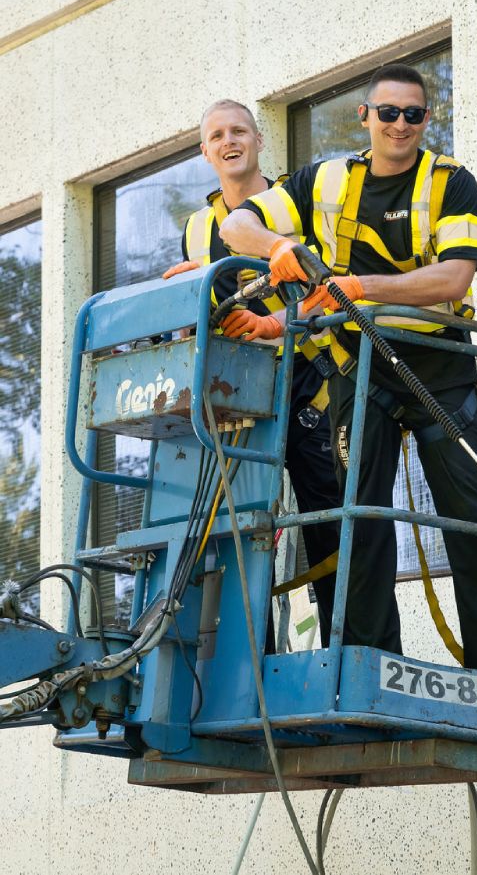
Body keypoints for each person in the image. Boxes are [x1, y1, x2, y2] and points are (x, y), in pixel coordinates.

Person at [218, 67, 477, 671]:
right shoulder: (322, 180)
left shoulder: (451, 183)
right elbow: (235, 223)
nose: (400, 125)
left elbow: (454, 277)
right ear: (364, 117)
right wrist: (275, 246)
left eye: (414, 115)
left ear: (426, 120)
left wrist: (359, 285)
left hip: (439, 367)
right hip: (361, 369)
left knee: (471, 517)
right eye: (388, 113)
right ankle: (369, 662)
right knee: (363, 517)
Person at [162, 98, 340, 646]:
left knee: (329, 515)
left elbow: (329, 283)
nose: (229, 141)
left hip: (311, 378)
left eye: (239, 130)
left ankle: (351, 644)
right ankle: (253, 659)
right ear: (205, 151)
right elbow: (191, 320)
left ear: (260, 140)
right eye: (217, 135)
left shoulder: (296, 205)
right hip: (240, 395)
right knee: (244, 525)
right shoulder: (197, 229)